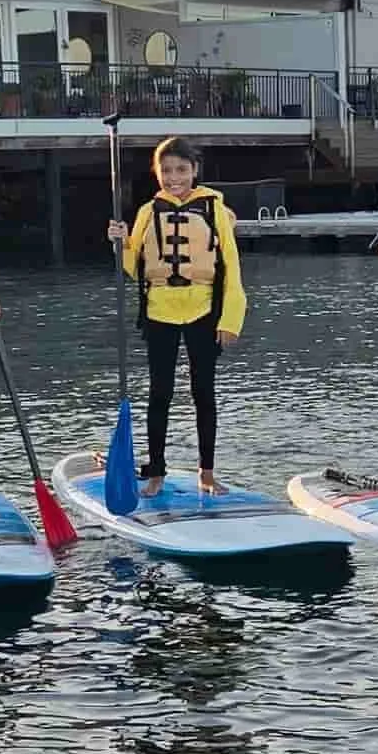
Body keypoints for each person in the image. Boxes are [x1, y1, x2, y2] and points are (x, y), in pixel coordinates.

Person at [108, 137, 245, 497]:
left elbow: (231, 268)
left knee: (204, 393)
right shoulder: (146, 212)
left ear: (194, 170)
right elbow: (135, 267)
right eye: (166, 171)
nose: (173, 178)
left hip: (204, 310)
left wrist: (230, 319)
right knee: (160, 393)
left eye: (181, 170)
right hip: (160, 311)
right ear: (157, 173)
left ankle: (207, 472)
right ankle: (156, 472)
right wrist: (120, 243)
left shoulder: (215, 210)